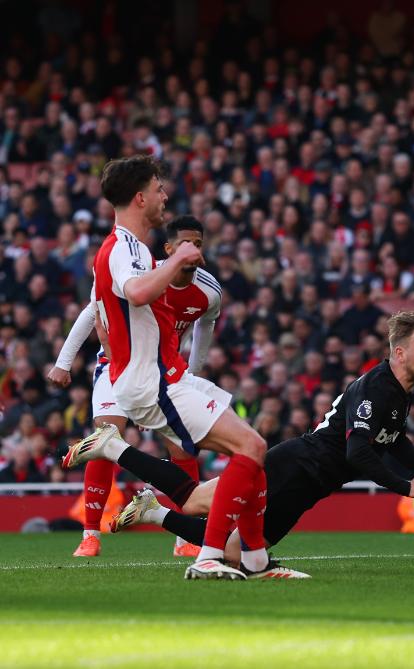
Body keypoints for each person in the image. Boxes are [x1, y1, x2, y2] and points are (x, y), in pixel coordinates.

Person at [73, 311, 414, 569]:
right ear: (399, 352)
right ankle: (115, 446)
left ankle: (152, 511)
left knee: (232, 549)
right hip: (295, 468)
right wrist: (404, 486)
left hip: (309, 483)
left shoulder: (399, 391)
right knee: (201, 508)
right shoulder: (378, 387)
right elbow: (358, 451)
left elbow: (393, 441)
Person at [62, 156, 268, 581]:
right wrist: (178, 260)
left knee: (234, 467)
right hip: (152, 382)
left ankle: (159, 510)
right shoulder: (125, 248)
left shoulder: (128, 248)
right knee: (251, 448)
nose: (164, 196)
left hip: (163, 377)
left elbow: (113, 307)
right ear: (140, 197)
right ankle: (218, 557)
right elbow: (136, 292)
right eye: (158, 189)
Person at [48, 214, 221, 558]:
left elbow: (205, 327)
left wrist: (193, 373)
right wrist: (63, 362)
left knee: (183, 448)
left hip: (165, 371)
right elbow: (90, 311)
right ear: (169, 248)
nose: (193, 250)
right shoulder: (145, 272)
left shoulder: (209, 290)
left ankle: (184, 538)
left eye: (198, 244)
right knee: (106, 437)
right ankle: (90, 534)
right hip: (119, 364)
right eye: (186, 243)